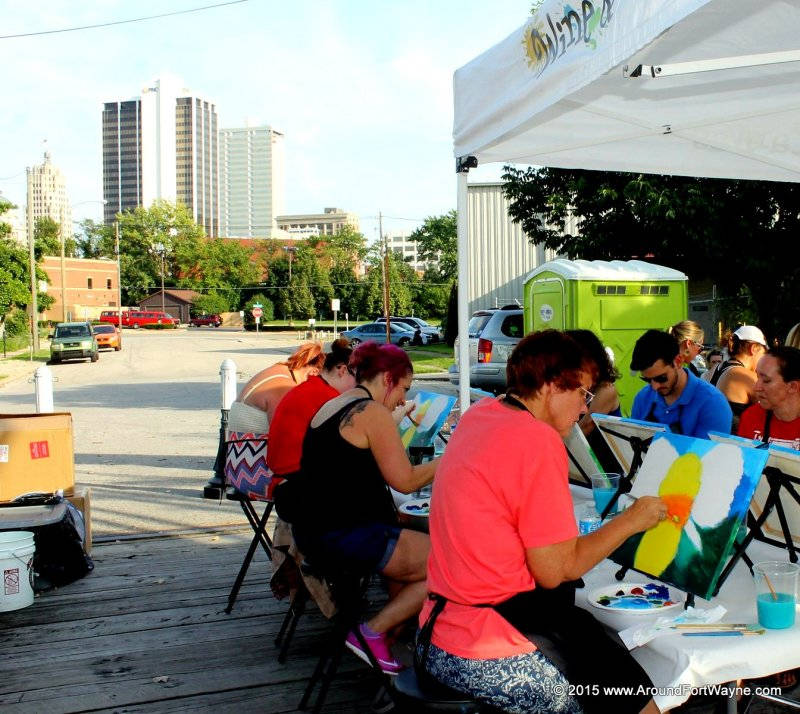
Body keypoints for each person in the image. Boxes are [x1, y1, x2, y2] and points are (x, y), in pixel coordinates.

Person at [417, 330, 666, 714]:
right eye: (582, 394)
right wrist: (633, 520)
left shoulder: (482, 414)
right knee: (631, 699)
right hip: (490, 646)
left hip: (438, 631)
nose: (585, 408)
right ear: (551, 386)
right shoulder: (536, 439)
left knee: (610, 661)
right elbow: (556, 570)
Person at [274, 341, 438, 675]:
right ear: (388, 379)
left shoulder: (335, 404)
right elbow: (405, 481)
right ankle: (372, 633)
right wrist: (452, 458)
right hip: (346, 535)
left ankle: (389, 643)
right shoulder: (370, 413)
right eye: (404, 388)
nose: (404, 399)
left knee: (413, 552)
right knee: (450, 564)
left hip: (314, 533)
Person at [225, 342, 325, 499]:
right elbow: (287, 440)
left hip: (237, 468)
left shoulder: (276, 371)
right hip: (256, 474)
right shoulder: (283, 387)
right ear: (314, 372)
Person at [267, 338, 355, 482]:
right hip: (298, 480)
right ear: (343, 370)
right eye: (358, 379)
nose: (358, 387)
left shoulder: (310, 387)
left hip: (282, 475)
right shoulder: (329, 397)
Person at [630, 329, 732, 438]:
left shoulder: (712, 403)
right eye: (648, 380)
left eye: (661, 378)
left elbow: (706, 454)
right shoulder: (643, 397)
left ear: (678, 362)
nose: (655, 387)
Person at [227, 342, 325, 435]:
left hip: (237, 448)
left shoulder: (280, 369)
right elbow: (285, 432)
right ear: (314, 372)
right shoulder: (284, 386)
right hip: (253, 449)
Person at [565, 329, 622, 473]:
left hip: (606, 469)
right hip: (582, 464)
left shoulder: (606, 389)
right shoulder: (576, 386)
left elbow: (584, 428)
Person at [738, 346, 800, 449]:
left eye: (766, 381)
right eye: (757, 377)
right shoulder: (751, 417)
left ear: (792, 387)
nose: (756, 387)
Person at [712, 325, 768, 431]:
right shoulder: (745, 376)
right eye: (763, 354)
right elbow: (773, 409)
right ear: (753, 349)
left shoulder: (715, 369)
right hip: (735, 443)